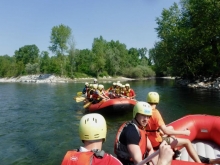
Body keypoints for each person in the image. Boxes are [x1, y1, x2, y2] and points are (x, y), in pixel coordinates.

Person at [145, 92, 202, 163]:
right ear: (157, 101)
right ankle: (199, 163)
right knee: (187, 142)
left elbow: (152, 127)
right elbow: (166, 131)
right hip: (157, 142)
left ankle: (175, 151)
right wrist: (184, 132)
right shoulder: (155, 113)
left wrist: (159, 131)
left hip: (150, 139)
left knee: (171, 127)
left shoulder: (145, 111)